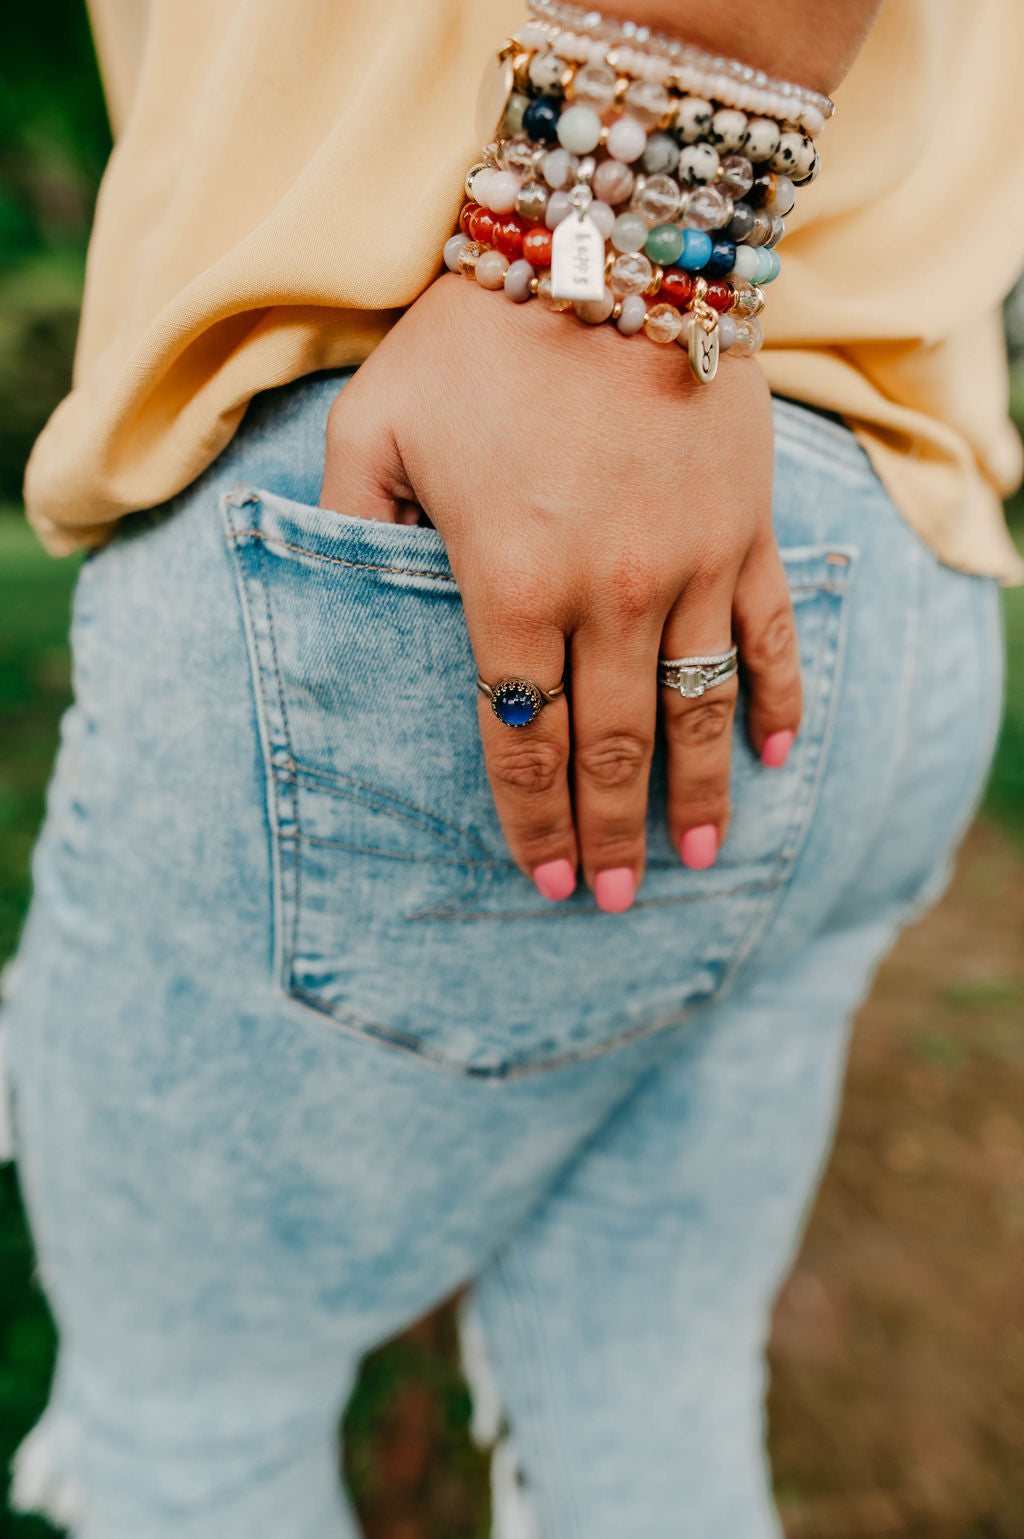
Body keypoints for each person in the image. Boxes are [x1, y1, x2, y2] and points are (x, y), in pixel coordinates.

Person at [2, 1, 1022, 1535]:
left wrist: (602, 264)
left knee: (187, 1432)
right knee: (642, 1393)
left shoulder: (590, 312)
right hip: (890, 544)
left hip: (505, 484)